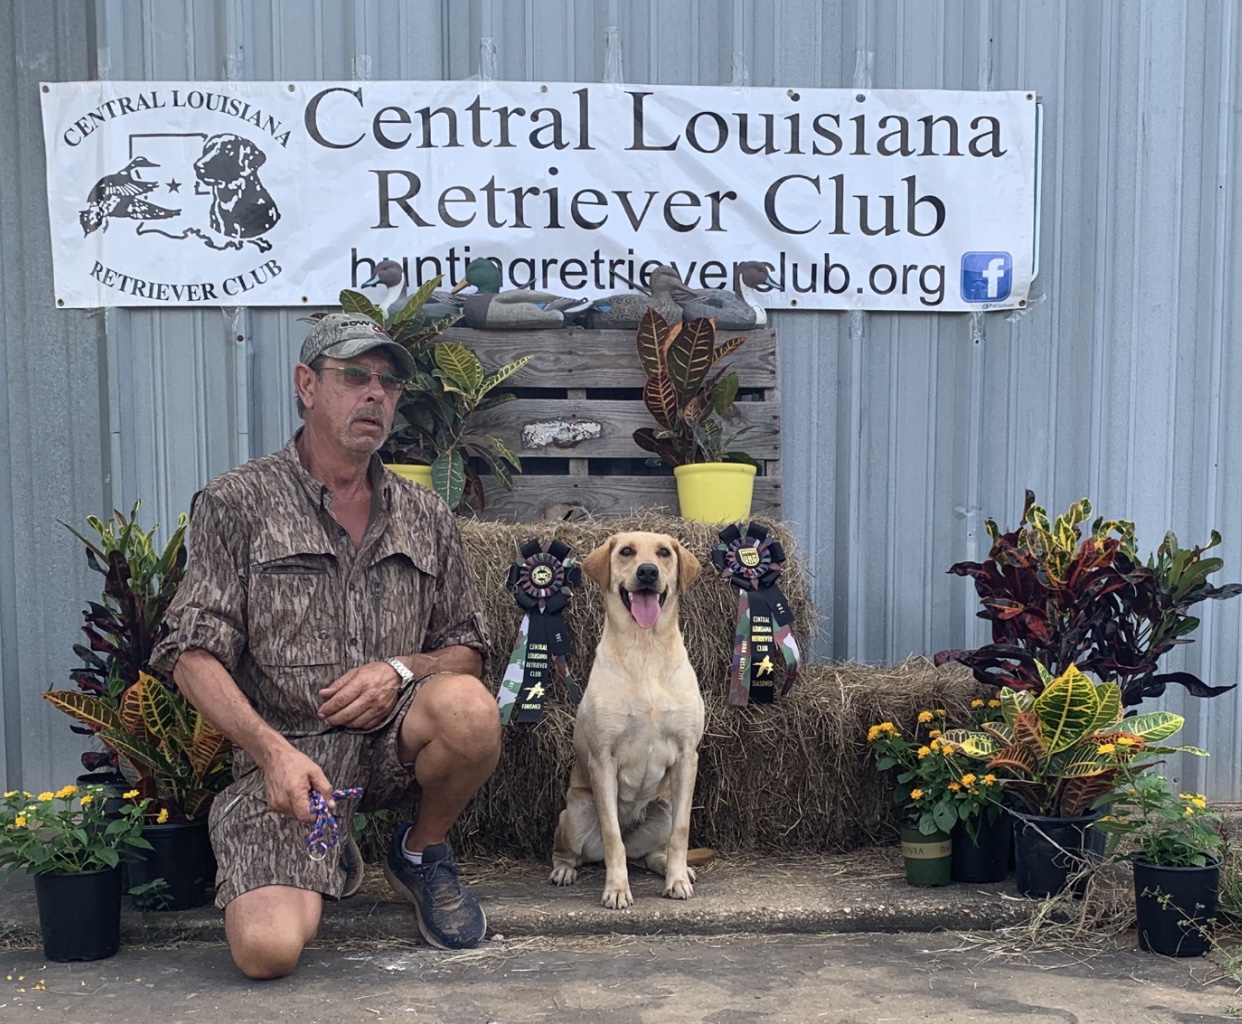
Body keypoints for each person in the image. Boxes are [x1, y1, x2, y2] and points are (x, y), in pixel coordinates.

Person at [150, 313, 500, 980]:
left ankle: (420, 852)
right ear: (306, 385)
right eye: (354, 377)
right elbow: (190, 656)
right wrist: (273, 754)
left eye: (389, 382)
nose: (375, 395)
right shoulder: (237, 503)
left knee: (471, 709)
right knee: (266, 952)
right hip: (290, 772)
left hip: (389, 745)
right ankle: (322, 850)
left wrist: (401, 671)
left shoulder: (426, 514)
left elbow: (467, 650)